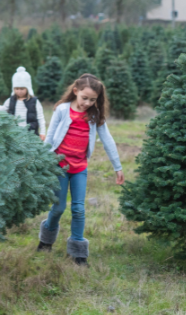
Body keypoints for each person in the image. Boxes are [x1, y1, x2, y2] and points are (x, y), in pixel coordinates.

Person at [36, 73, 125, 267]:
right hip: (59, 166)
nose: (87, 103)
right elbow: (50, 137)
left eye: (93, 100)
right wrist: (41, 161)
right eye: (85, 98)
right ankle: (46, 239)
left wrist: (117, 167)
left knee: (78, 209)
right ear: (75, 91)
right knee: (58, 207)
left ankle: (78, 253)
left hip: (79, 168)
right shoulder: (62, 110)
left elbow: (108, 140)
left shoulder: (95, 115)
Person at [1, 67, 46, 140]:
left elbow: (40, 117)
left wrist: (43, 132)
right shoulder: (10, 100)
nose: (19, 91)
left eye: (22, 89)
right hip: (14, 135)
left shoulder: (34, 101)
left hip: (30, 135)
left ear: (27, 88)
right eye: (17, 89)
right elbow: (2, 109)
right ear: (13, 89)